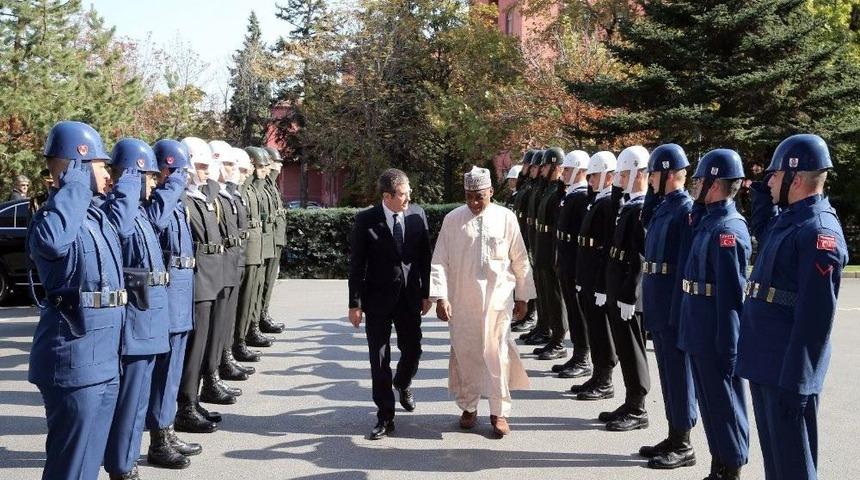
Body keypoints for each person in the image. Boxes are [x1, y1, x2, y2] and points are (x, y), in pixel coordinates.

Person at [737, 134, 848, 480]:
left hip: (787, 370)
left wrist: (799, 382)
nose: (770, 181)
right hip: (766, 360)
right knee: (776, 461)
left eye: (776, 175)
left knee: (794, 465)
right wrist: (761, 189)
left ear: (796, 179)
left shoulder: (819, 232)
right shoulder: (790, 219)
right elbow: (763, 226)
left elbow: (815, 320)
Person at [28, 120, 125, 480]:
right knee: (69, 467)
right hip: (75, 356)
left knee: (88, 462)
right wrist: (73, 187)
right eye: (100, 165)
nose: (109, 174)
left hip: (104, 356)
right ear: (79, 166)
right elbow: (54, 243)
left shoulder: (94, 216)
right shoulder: (52, 219)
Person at [431, 166, 536, 437]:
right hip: (462, 301)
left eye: (479, 196)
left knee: (497, 355)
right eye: (469, 197)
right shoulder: (453, 220)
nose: (474, 203)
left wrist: (523, 297)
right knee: (466, 355)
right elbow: (439, 261)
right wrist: (441, 297)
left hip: (498, 300)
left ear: (490, 191)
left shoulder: (506, 217)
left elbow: (520, 259)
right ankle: (469, 406)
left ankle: (499, 412)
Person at [678, 149, 751, 480]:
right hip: (698, 324)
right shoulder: (708, 219)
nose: (694, 185)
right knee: (710, 403)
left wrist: (729, 344)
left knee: (725, 404)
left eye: (701, 180)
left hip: (714, 330)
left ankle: (731, 467)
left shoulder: (728, 230)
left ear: (715, 184)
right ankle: (718, 464)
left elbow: (731, 295)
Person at [101, 138, 172, 480]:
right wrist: (129, 184)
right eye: (149, 177)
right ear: (132, 175)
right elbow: (121, 229)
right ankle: (122, 466)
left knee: (139, 399)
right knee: (129, 403)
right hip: (135, 321)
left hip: (149, 317)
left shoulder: (140, 211)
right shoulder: (119, 209)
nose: (154, 183)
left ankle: (127, 460)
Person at [347, 168, 432, 440]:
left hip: (409, 297)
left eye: (409, 193)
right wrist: (355, 304)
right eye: (403, 194)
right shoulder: (366, 220)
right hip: (377, 299)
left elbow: (425, 258)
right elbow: (357, 264)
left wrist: (427, 293)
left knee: (413, 350)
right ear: (387, 196)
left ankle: (403, 382)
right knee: (380, 358)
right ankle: (385, 415)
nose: (408, 198)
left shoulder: (418, 214)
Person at [638, 144, 698, 469]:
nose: (649, 179)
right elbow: (644, 218)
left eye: (654, 174)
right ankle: (674, 435)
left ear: (670, 174)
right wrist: (654, 190)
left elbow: (685, 266)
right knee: (667, 374)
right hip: (658, 303)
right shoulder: (664, 207)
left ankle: (684, 442)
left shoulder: (685, 210)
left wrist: (679, 313)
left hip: (672, 306)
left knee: (679, 376)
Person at [145, 139, 203, 468]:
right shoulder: (155, 199)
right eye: (179, 171)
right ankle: (158, 439)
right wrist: (170, 186)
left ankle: (167, 428)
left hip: (180, 293)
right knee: (162, 372)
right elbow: (155, 221)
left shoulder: (176, 201)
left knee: (173, 371)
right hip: (166, 296)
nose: (185, 177)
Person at [174, 137, 224, 433]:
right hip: (196, 279)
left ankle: (192, 399)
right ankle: (185, 406)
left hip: (208, 276)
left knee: (201, 345)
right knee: (193, 348)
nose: (206, 172)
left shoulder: (199, 197)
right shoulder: (181, 198)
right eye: (201, 166)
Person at [600, 145, 651, 432]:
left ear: (637, 174)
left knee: (632, 350)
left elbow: (639, 256)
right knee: (624, 346)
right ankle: (630, 401)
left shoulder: (642, 208)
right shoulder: (628, 205)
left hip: (628, 291)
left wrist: (631, 293)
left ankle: (638, 407)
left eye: (623, 174)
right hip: (617, 285)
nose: (618, 179)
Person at [571, 151, 619, 401]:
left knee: (601, 328)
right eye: (589, 176)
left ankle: (605, 379)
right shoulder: (597, 200)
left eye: (595, 176)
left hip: (597, 275)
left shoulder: (609, 203)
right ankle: (597, 375)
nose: (590, 180)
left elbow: (606, 245)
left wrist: (601, 282)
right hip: (587, 273)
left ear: (610, 176)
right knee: (593, 325)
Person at [551, 150, 592, 379]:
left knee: (578, 312)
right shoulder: (570, 194)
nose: (563, 173)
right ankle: (577, 354)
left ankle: (583, 357)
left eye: (567, 169)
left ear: (579, 171)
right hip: (565, 260)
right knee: (573, 310)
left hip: (574, 262)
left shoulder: (582, 196)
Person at [233, 147, 268, 362]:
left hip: (256, 244)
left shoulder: (255, 188)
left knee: (251, 297)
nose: (264, 170)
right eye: (259, 166)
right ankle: (239, 341)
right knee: (244, 298)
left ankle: (243, 337)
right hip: (248, 246)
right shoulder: (244, 188)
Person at [532, 147, 568, 360]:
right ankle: (551, 335)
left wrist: (556, 254)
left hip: (551, 246)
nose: (542, 169)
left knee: (555, 295)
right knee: (546, 293)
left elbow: (558, 224)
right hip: (542, 244)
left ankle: (559, 339)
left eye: (546, 165)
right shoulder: (548, 189)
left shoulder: (559, 191)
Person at [259, 146, 288, 334]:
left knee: (269, 281)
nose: (279, 166)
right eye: (276, 162)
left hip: (276, 237)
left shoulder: (271, 184)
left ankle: (264, 314)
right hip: (268, 238)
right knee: (264, 282)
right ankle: (260, 317)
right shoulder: (264, 184)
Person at [510, 151, 538, 333]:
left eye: (530, 166)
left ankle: (532, 316)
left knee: (530, 278)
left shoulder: (534, 187)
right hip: (523, 234)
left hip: (530, 236)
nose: (527, 168)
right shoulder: (526, 185)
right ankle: (529, 316)